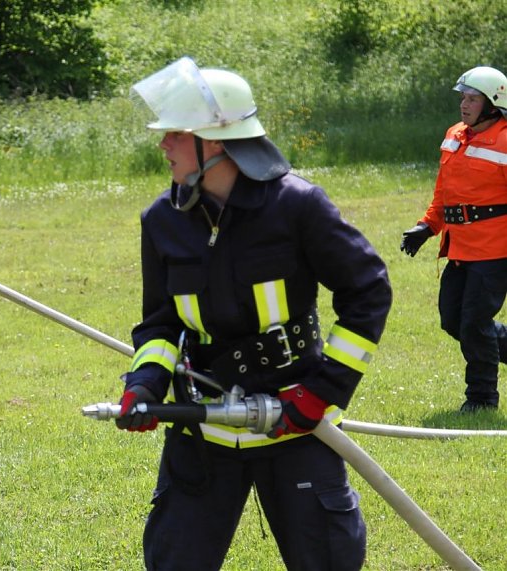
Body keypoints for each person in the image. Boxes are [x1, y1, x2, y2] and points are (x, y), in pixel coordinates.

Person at [116, 57, 392, 570]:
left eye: (174, 133)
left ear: (214, 141)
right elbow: (160, 321)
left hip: (295, 426)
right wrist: (145, 385)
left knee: (327, 560)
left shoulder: (298, 206)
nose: (163, 145)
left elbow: (368, 289)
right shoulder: (162, 221)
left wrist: (321, 392)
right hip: (202, 432)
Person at [400, 66, 507, 413]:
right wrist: (426, 227)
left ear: (493, 104)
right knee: (452, 320)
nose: (464, 104)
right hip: (459, 247)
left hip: (495, 249)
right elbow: (444, 193)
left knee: (474, 323)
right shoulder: (455, 135)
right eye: (463, 97)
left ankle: (481, 400)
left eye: (472, 99)